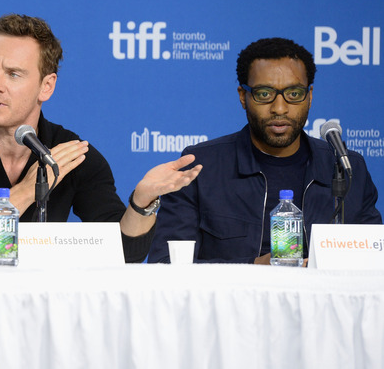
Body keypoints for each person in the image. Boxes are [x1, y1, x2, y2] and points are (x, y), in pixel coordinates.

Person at [0, 14, 202, 266]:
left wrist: (141, 202)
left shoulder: (69, 154)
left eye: (13, 74)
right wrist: (26, 192)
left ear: (46, 86)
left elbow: (124, 254)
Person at [148, 37, 381, 264]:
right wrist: (256, 267)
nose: (279, 108)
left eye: (294, 94)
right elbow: (167, 263)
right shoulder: (200, 168)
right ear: (243, 96)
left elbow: (374, 261)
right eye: (264, 94)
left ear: (309, 97)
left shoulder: (346, 167)